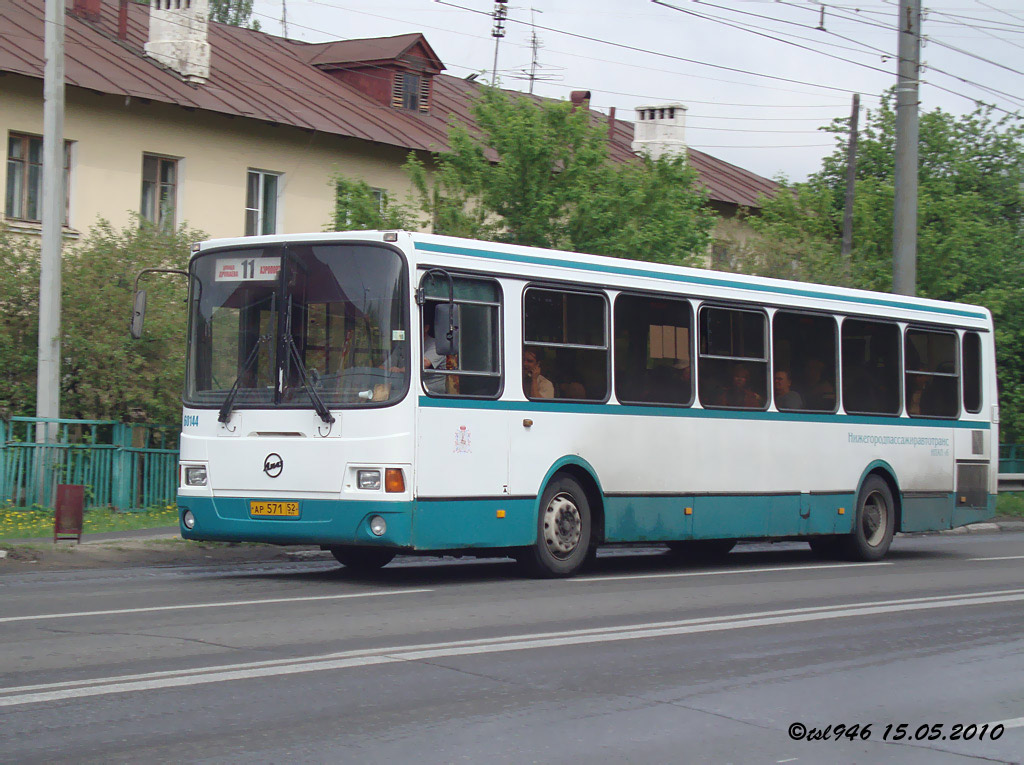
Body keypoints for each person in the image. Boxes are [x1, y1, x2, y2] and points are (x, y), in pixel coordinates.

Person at [421, 318, 446, 394]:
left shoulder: (437, 345)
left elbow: (425, 364)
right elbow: (385, 364)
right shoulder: (403, 345)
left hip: (431, 393)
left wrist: (399, 370)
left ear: (426, 328)